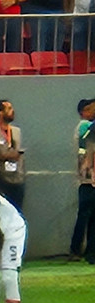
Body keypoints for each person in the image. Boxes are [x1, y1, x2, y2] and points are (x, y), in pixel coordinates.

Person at [69, 97, 95, 263]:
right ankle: (78, 249)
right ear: (84, 112)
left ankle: (86, 251)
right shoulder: (86, 127)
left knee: (89, 215)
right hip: (88, 177)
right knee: (86, 214)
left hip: (86, 176)